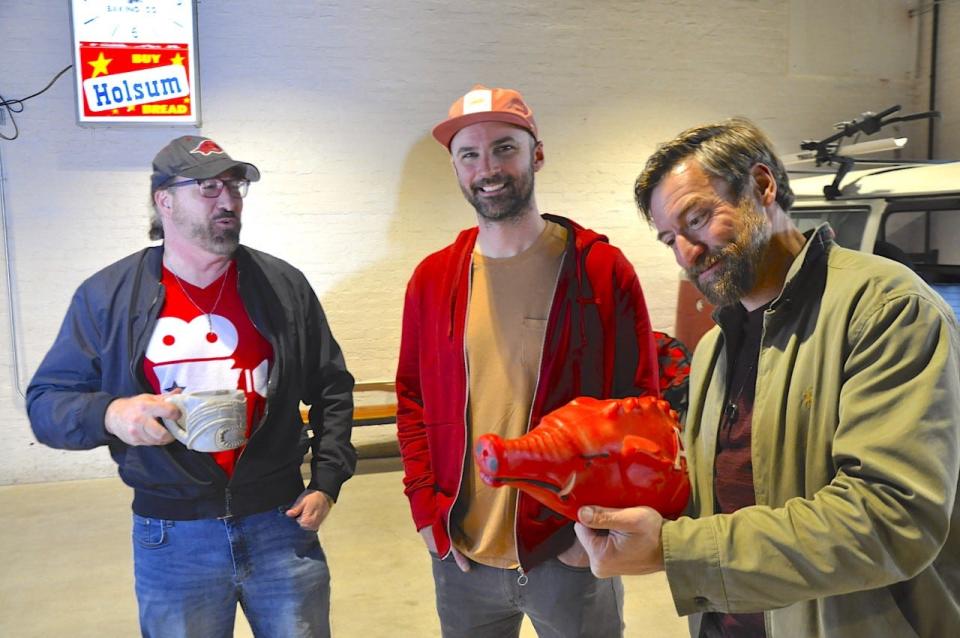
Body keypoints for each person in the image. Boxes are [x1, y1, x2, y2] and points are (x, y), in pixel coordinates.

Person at [574, 118, 960, 637]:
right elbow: (725, 494)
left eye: (698, 218)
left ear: (762, 186)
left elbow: (890, 518)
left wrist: (672, 550)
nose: (687, 251)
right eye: (671, 238)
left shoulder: (886, 309)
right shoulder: (715, 347)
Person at [27, 136, 356, 638]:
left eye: (234, 186)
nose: (228, 200)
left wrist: (328, 480)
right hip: (173, 537)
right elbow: (47, 403)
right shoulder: (110, 296)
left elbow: (331, 385)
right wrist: (112, 414)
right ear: (164, 200)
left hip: (280, 525)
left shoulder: (282, 286)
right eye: (207, 188)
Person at [395, 85, 660, 638]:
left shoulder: (600, 272)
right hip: (462, 554)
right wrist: (427, 512)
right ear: (455, 167)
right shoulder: (433, 279)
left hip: (568, 550)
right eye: (469, 154)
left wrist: (587, 532)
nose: (487, 168)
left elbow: (639, 412)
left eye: (504, 148)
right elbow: (414, 400)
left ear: (536, 154)